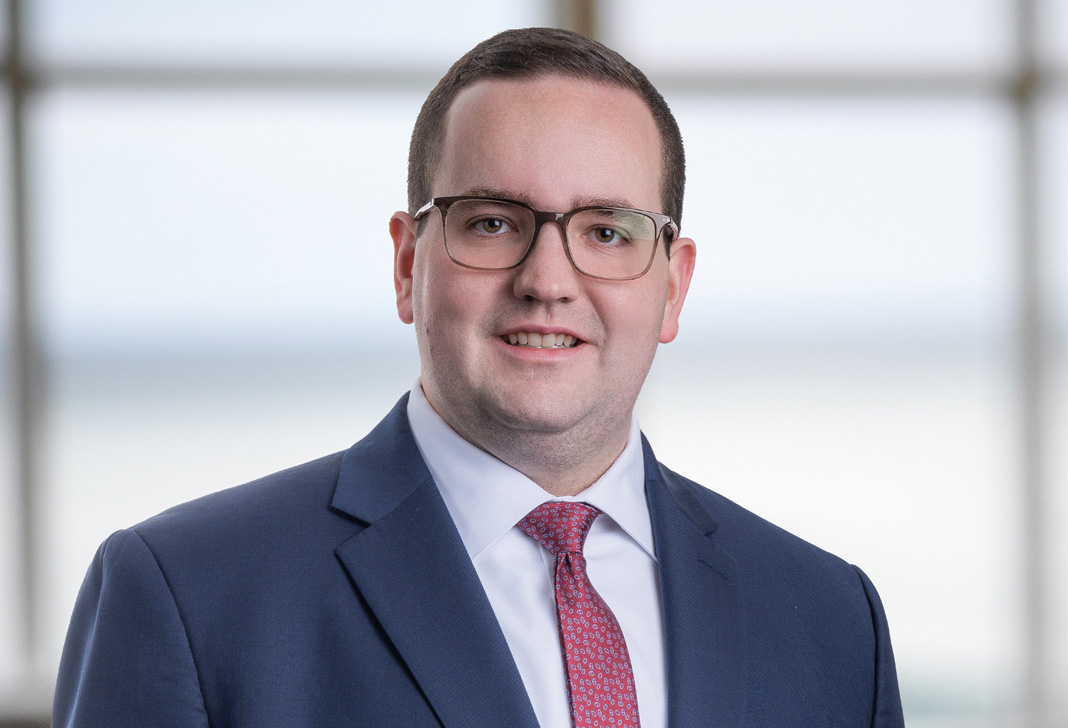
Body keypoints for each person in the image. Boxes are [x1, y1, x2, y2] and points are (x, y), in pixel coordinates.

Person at [53, 27, 905, 728]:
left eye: (608, 232)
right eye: (493, 223)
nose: (548, 280)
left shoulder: (833, 621)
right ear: (407, 265)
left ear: (673, 287)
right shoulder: (187, 595)